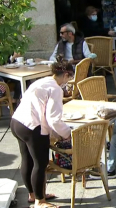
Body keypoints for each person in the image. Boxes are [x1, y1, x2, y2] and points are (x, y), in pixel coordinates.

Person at [10, 59, 73, 208]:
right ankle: (40, 201)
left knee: (27, 160)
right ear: (65, 74)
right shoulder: (56, 89)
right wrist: (67, 134)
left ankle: (34, 195)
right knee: (40, 163)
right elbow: (54, 119)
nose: (68, 81)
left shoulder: (42, 81)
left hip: (17, 122)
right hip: (32, 127)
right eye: (69, 77)